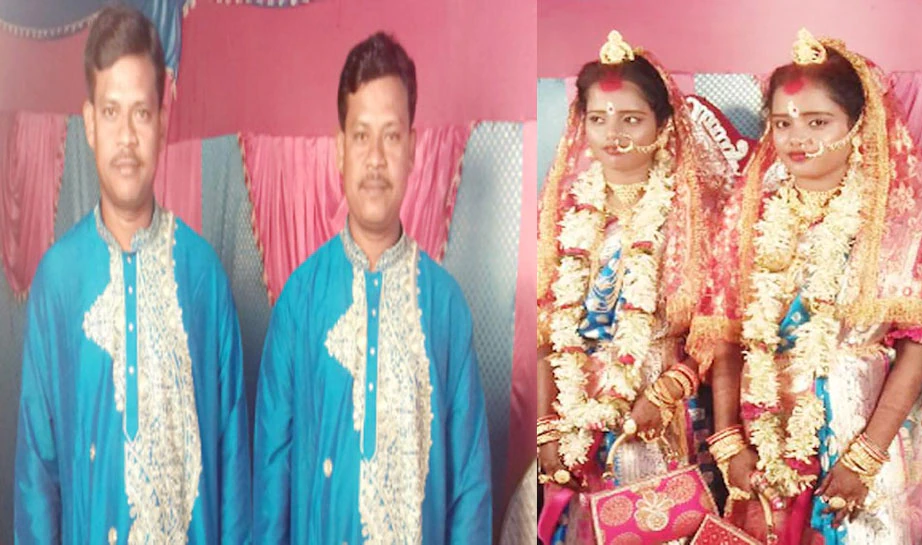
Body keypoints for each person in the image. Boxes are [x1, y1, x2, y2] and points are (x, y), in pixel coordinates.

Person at [14, 6, 251, 544]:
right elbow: (37, 478)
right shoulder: (58, 282)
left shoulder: (204, 280)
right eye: (111, 112)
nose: (126, 137)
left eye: (141, 113)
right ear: (89, 123)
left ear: (162, 122)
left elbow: (234, 473)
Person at [695, 29, 922, 545]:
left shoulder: (891, 220)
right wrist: (729, 442)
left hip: (857, 433)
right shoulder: (748, 217)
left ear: (857, 125)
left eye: (818, 121)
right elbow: (728, 340)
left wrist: (865, 457)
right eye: (783, 123)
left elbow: (916, 347)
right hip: (764, 443)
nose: (797, 137)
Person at [252, 31, 492, 544]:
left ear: (413, 150)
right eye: (361, 136)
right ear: (340, 150)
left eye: (392, 136)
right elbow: (272, 481)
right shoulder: (300, 301)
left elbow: (470, 489)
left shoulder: (446, 308)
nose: (377, 159)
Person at [536, 30, 732, 544]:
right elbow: (545, 333)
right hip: (575, 407)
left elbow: (716, 334)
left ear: (662, 127)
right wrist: (545, 429)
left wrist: (664, 393)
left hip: (659, 409)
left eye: (631, 119)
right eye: (598, 118)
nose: (612, 133)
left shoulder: (694, 214)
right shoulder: (563, 211)